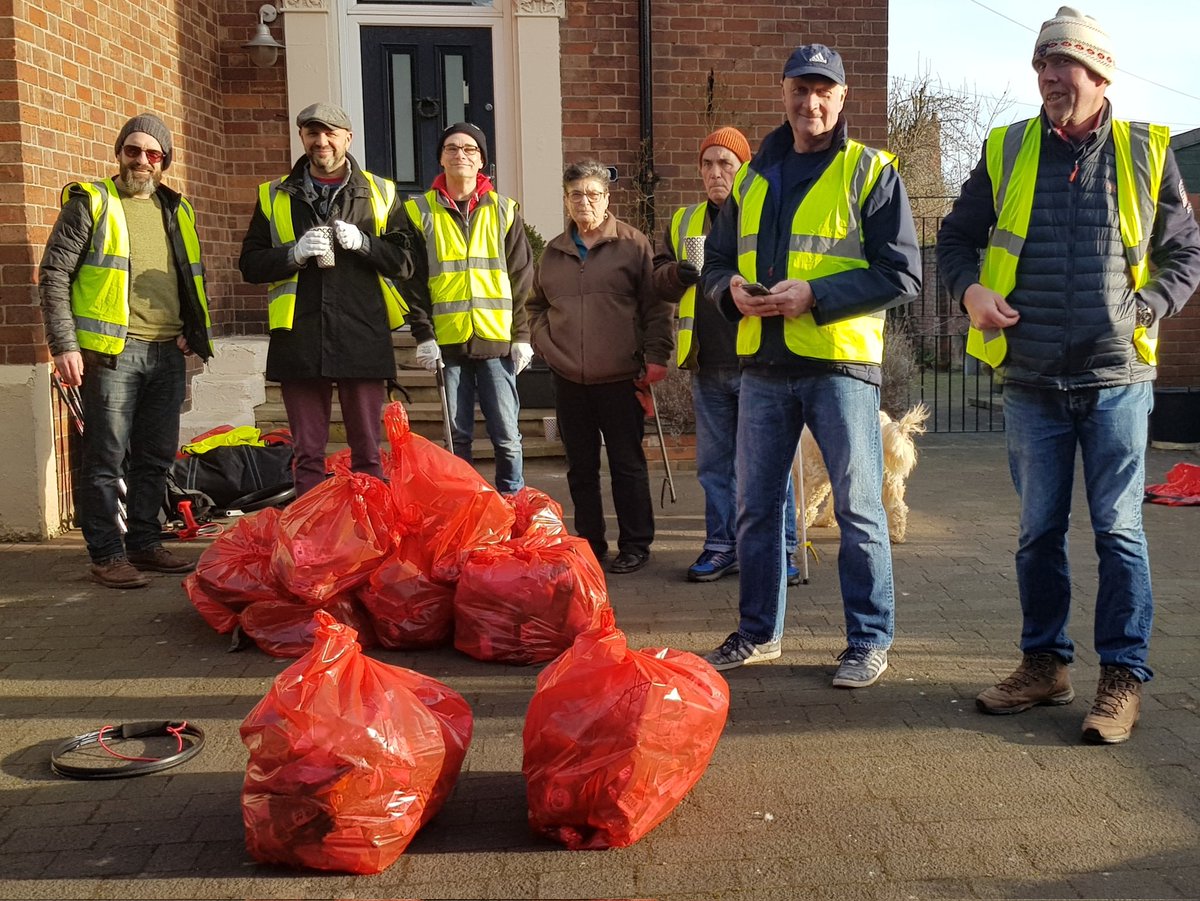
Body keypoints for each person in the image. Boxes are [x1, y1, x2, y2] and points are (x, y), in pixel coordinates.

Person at [937, 7, 1200, 743]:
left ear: (1100, 73)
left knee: (1118, 528)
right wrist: (968, 291)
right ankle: (1045, 663)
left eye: (1066, 66)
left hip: (1118, 377)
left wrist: (1142, 305)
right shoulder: (1007, 147)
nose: (1051, 78)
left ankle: (1123, 676)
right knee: (1037, 531)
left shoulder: (1147, 150)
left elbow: (1187, 253)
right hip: (1031, 379)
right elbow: (956, 236)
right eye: (1042, 66)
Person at [699, 44, 922, 685]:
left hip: (838, 365)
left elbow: (902, 272)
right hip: (763, 365)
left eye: (824, 90)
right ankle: (758, 634)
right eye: (801, 88)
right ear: (785, 94)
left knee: (858, 509)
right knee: (756, 507)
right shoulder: (752, 175)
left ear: (842, 98)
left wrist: (814, 294)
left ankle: (868, 641)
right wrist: (728, 292)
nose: (811, 102)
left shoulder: (870, 170)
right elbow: (717, 262)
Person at [39, 113, 214, 589]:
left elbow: (191, 277)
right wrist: (63, 344)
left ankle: (144, 541)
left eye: (151, 153)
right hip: (111, 353)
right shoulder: (91, 202)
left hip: (166, 352)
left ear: (165, 162)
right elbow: (54, 273)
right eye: (132, 150)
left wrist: (192, 332)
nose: (141, 160)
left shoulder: (178, 208)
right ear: (119, 153)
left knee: (155, 457)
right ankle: (106, 554)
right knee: (106, 458)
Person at [239, 102, 421, 497]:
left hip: (362, 331)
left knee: (369, 453)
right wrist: (293, 253)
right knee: (306, 454)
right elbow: (250, 265)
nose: (321, 142)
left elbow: (405, 262)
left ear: (347, 139)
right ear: (302, 137)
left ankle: (368, 535)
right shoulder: (273, 194)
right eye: (312, 133)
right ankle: (308, 539)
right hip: (299, 334)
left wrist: (365, 244)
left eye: (330, 133)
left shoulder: (382, 192)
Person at [653, 127, 803, 586]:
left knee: (768, 464)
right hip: (707, 364)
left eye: (727, 163)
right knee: (714, 466)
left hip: (758, 361)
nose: (716, 172)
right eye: (708, 163)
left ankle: (784, 551)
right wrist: (676, 274)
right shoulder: (683, 221)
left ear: (743, 169)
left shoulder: (764, 215)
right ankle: (722, 547)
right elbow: (657, 279)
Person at [527, 160, 674, 574]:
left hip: (621, 375)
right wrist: (546, 345)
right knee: (581, 467)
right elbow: (535, 306)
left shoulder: (633, 244)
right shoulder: (553, 252)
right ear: (566, 200)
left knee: (627, 464)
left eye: (593, 194)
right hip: (568, 378)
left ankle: (636, 544)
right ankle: (590, 543)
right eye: (576, 195)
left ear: (607, 198)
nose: (584, 202)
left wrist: (656, 357)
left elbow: (657, 307)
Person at [404, 122, 534, 494]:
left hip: (497, 343)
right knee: (457, 438)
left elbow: (521, 278)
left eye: (469, 149)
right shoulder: (418, 212)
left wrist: (522, 336)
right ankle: (467, 507)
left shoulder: (504, 210)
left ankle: (512, 504)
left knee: (507, 435)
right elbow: (411, 283)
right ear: (441, 158)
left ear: (482, 161)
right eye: (451, 148)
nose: (460, 154)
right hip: (447, 343)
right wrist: (423, 335)